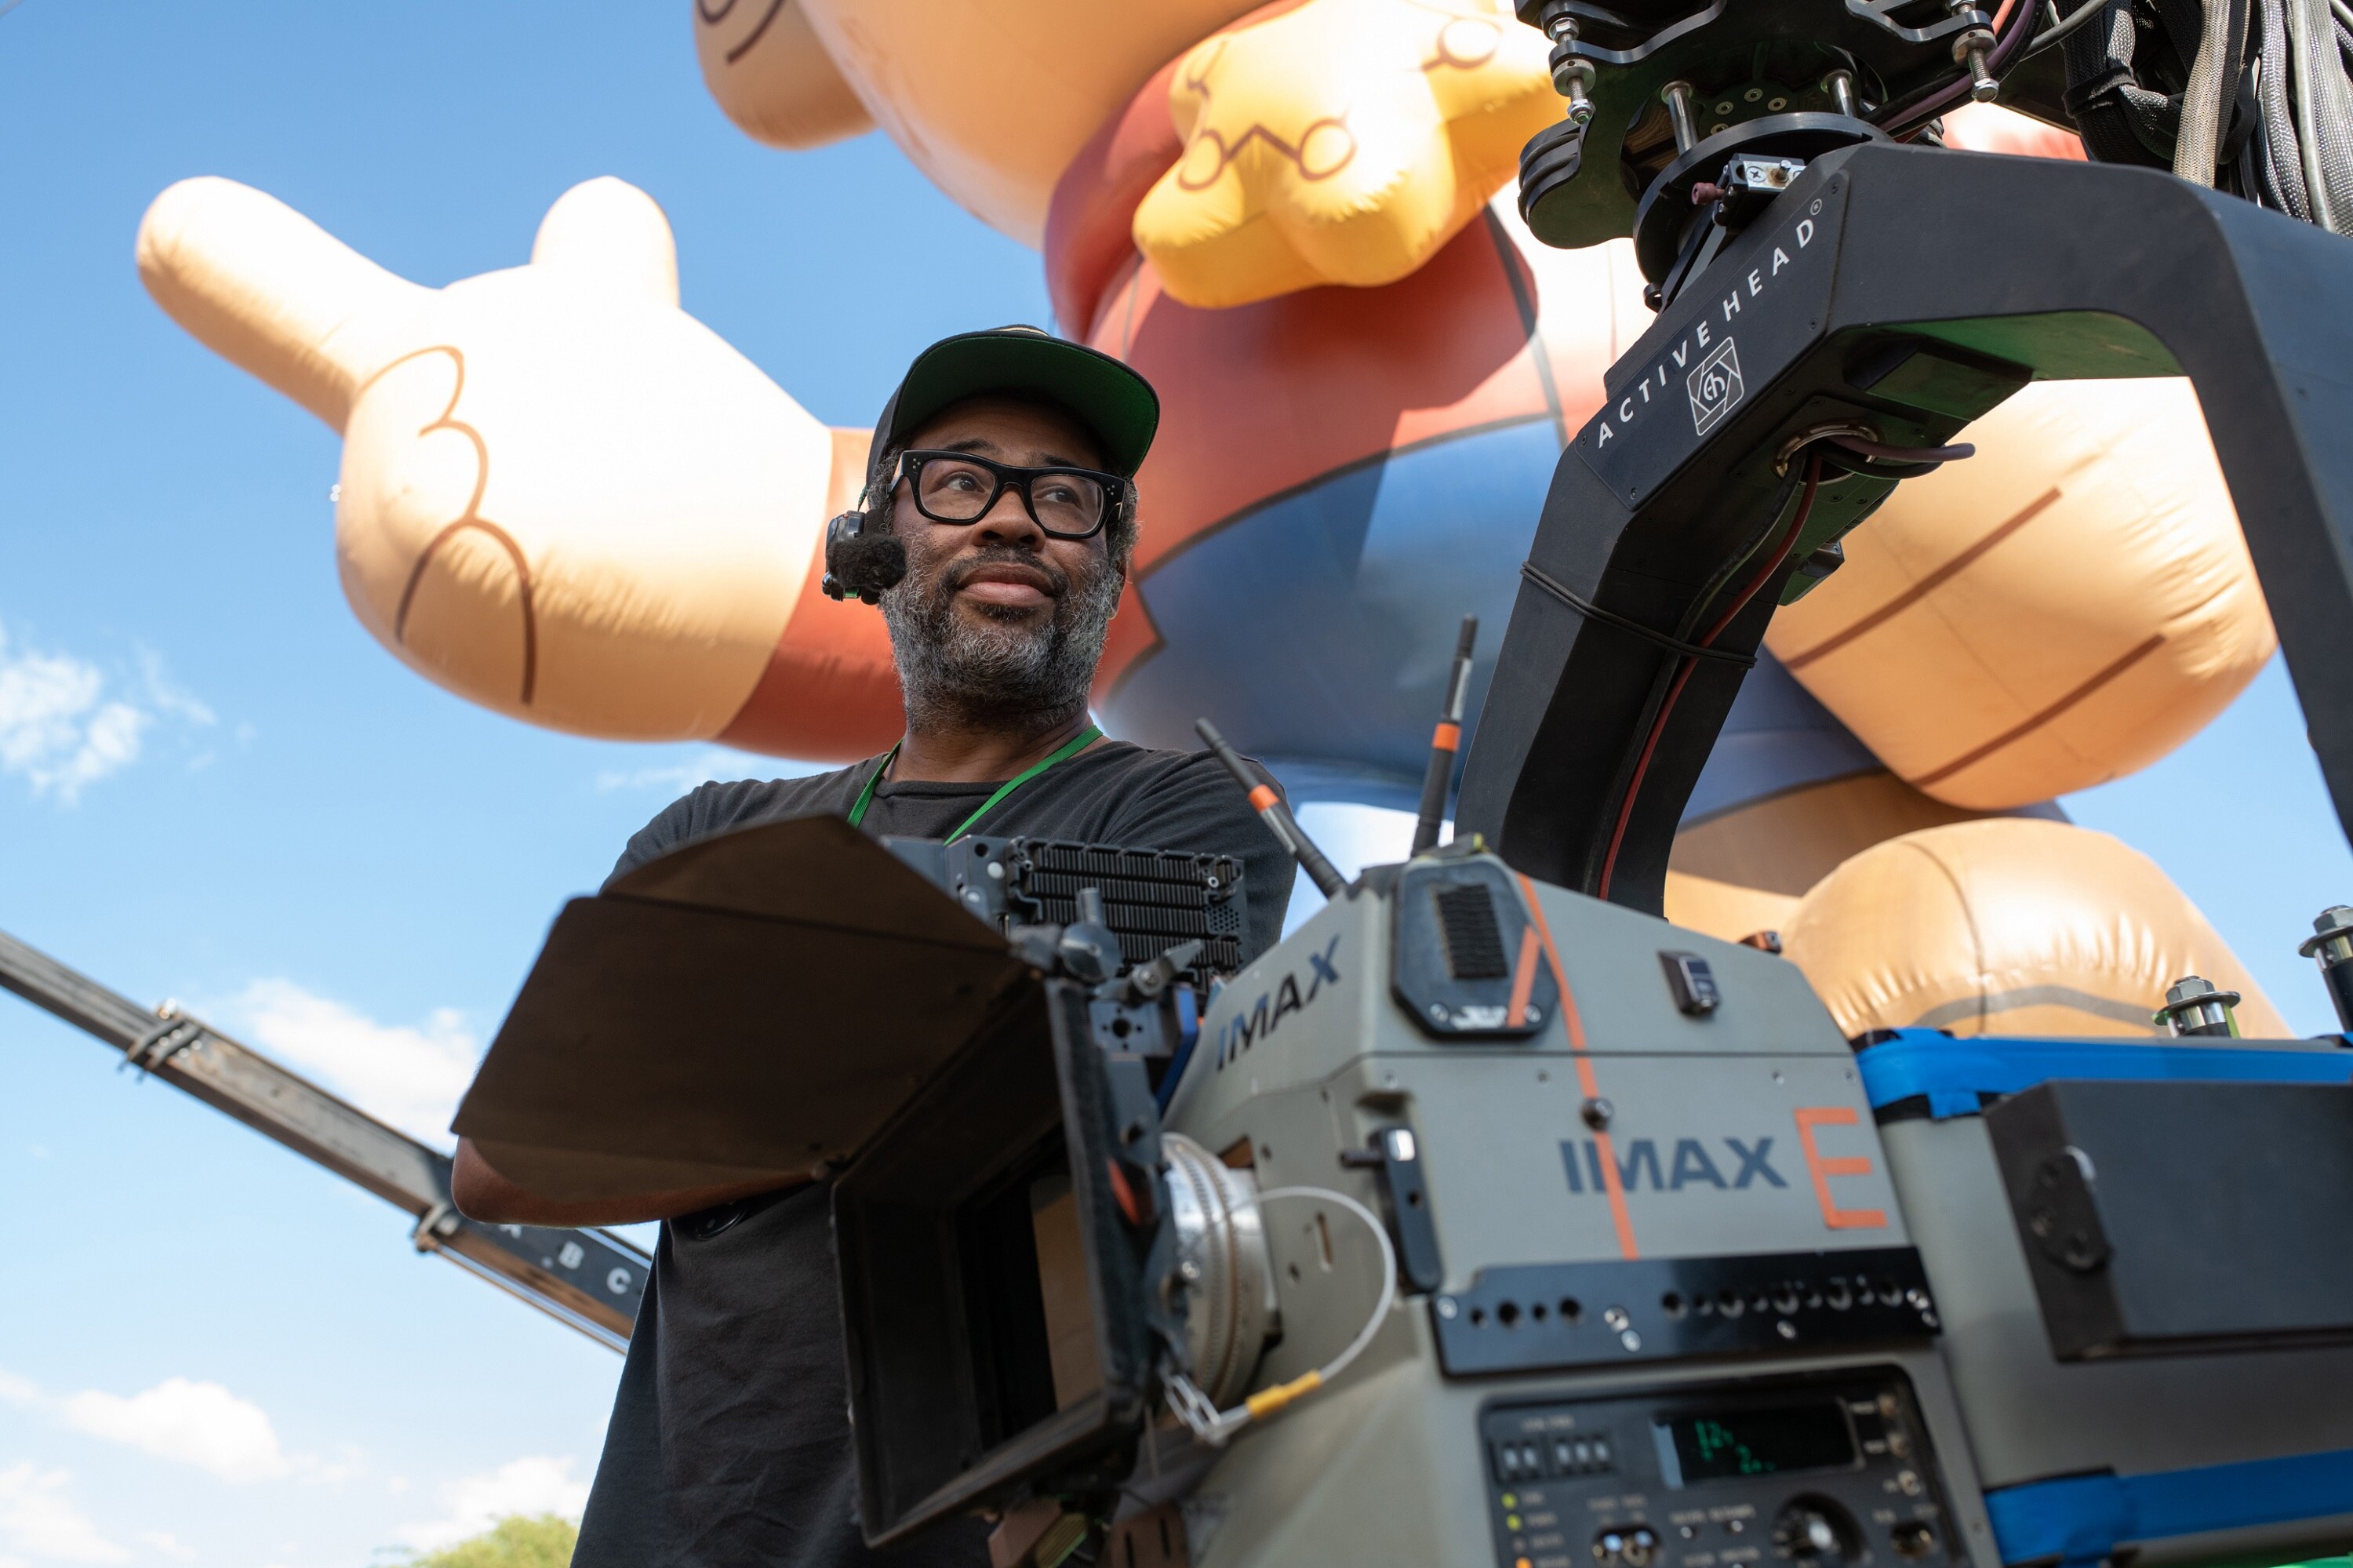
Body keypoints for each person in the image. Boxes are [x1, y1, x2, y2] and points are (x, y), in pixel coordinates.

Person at [449, 326, 1296, 1566]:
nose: (1014, 521)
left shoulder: (1190, 813)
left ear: (1109, 561)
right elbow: (506, 1161)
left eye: (1066, 498)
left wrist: (738, 1043)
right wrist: (946, 1023)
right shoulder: (709, 831)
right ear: (874, 543)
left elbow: (1093, 1093)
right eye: (961, 481)